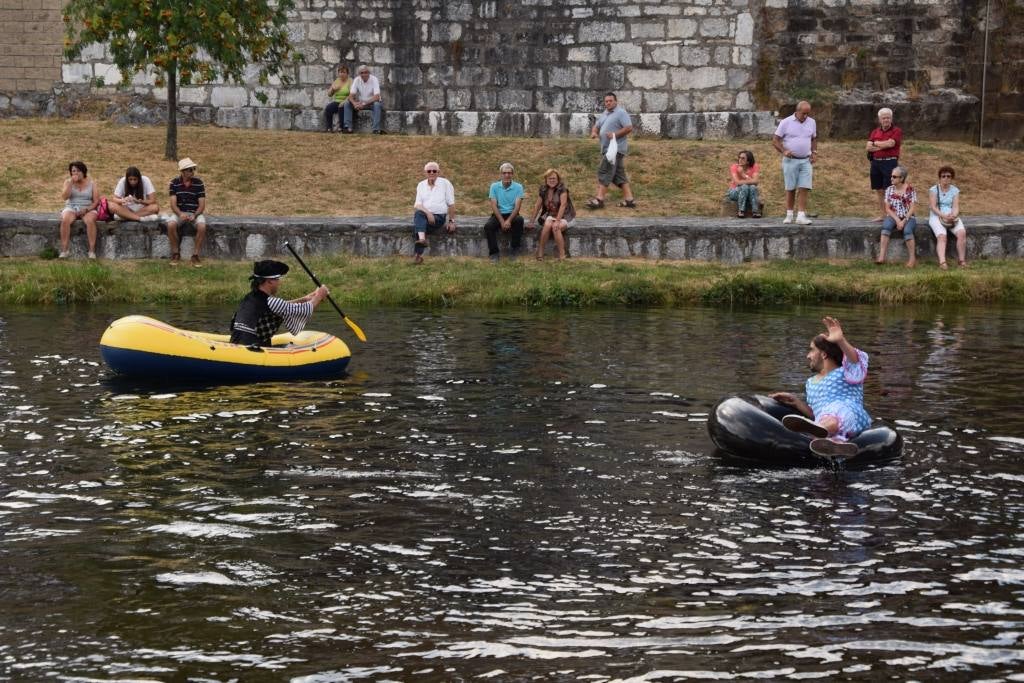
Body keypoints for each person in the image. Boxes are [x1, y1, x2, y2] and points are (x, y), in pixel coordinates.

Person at [770, 316, 872, 459]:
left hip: (851, 416)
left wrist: (840, 340)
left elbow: (855, 361)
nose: (807, 356)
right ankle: (834, 444)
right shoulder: (811, 383)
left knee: (836, 412)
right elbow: (816, 413)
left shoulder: (846, 372)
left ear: (824, 354)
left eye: (811, 350)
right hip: (825, 421)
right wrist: (797, 403)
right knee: (824, 417)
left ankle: (823, 431)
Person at [229, 260, 330, 347]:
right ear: (269, 281)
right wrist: (319, 295)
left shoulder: (249, 297)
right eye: (277, 279)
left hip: (236, 344)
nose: (279, 283)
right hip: (253, 349)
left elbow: (281, 306)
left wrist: (305, 298)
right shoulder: (271, 302)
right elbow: (303, 310)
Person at [586, 92, 636, 209]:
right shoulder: (605, 113)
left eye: (610, 101)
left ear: (615, 101)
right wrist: (594, 132)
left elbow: (628, 127)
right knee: (619, 176)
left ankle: (599, 199)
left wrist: (615, 134)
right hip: (607, 149)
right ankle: (629, 200)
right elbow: (597, 125)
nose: (608, 103)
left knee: (605, 171)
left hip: (615, 149)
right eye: (606, 101)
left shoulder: (621, 113)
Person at [772, 100, 817, 225]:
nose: (806, 116)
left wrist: (814, 152)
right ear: (797, 111)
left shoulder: (812, 122)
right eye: (803, 113)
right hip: (790, 160)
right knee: (790, 188)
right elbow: (775, 140)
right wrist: (784, 151)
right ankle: (789, 214)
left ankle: (801, 215)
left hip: (806, 160)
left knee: (804, 187)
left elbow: (813, 139)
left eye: (808, 113)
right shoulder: (786, 122)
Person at [163, 157, 207, 267]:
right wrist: (180, 214)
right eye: (190, 169)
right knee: (171, 224)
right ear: (182, 172)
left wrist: (195, 215)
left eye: (193, 169)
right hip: (180, 212)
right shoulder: (174, 183)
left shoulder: (199, 183)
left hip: (194, 212)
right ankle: (176, 253)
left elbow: (202, 205)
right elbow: (173, 204)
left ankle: (195, 255)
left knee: (202, 226)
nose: (193, 171)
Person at [411, 161, 456, 265]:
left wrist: (451, 221)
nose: (431, 173)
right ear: (425, 172)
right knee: (419, 216)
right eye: (429, 171)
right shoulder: (421, 185)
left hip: (439, 217)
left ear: (438, 172)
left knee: (418, 225)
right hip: (425, 216)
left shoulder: (445, 183)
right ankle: (420, 249)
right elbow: (417, 204)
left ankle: (418, 253)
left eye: (434, 171)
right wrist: (428, 213)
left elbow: (451, 204)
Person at [528, 168, 576, 261]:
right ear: (546, 179)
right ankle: (540, 252)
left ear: (558, 179)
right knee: (548, 223)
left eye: (554, 178)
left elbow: (563, 205)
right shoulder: (543, 189)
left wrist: (558, 221)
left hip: (566, 217)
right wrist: (531, 221)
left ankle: (562, 255)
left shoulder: (562, 189)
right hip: (551, 216)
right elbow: (537, 206)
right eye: (550, 178)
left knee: (555, 227)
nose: (552, 180)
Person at [876, 165, 917, 268]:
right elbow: (888, 209)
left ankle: (912, 259)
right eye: (891, 176)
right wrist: (898, 220)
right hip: (894, 216)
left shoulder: (910, 190)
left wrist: (903, 221)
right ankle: (882, 256)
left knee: (907, 231)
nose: (891, 178)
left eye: (894, 177)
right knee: (886, 227)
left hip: (908, 217)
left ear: (902, 178)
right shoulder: (889, 190)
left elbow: (912, 209)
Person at [866, 107, 903, 222]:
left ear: (891, 118)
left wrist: (876, 144)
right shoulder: (875, 131)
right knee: (879, 189)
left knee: (890, 189)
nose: (886, 120)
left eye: (888, 118)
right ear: (879, 119)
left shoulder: (896, 131)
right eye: (884, 118)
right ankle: (883, 214)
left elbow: (891, 144)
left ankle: (892, 215)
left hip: (890, 162)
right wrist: (881, 145)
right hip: (876, 163)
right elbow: (868, 147)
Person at [928, 166, 968, 269]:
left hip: (950, 216)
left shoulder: (955, 190)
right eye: (943, 176)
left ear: (952, 178)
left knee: (962, 233)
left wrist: (954, 215)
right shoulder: (933, 189)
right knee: (942, 236)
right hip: (937, 215)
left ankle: (961, 261)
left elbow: (955, 206)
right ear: (940, 177)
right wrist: (943, 216)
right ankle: (942, 262)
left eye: (948, 176)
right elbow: (933, 207)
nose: (946, 178)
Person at [483, 162, 525, 261]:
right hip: (499, 214)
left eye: (509, 173)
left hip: (512, 214)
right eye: (504, 173)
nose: (507, 175)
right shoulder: (494, 186)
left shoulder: (518, 187)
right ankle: (494, 253)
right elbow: (494, 205)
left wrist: (509, 221)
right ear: (501, 174)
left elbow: (517, 207)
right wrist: (502, 221)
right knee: (488, 226)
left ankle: (514, 250)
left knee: (519, 220)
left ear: (512, 174)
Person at [58, 160, 99, 259]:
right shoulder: (68, 182)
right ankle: (64, 251)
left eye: (78, 171)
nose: (75, 173)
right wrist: (71, 183)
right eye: (73, 171)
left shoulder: (92, 183)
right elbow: (64, 197)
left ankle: (92, 251)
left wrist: (86, 210)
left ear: (83, 172)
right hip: (71, 206)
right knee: (65, 220)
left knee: (90, 221)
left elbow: (96, 201)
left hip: (87, 208)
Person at [343, 64, 384, 134]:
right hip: (361, 103)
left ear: (369, 73)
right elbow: (350, 96)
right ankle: (348, 128)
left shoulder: (374, 79)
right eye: (362, 73)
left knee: (377, 104)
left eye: (366, 72)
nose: (364, 74)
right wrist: (354, 103)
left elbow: (377, 96)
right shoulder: (357, 79)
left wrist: (364, 104)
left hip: (371, 103)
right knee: (347, 103)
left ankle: (376, 129)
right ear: (359, 74)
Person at [727, 150, 761, 218]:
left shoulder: (754, 166)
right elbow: (737, 183)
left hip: (749, 192)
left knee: (753, 187)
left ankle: (755, 211)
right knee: (745, 186)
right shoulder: (734, 167)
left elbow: (756, 182)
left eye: (743, 158)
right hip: (734, 191)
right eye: (739, 157)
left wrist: (743, 175)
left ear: (748, 161)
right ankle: (741, 211)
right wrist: (750, 181)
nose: (740, 160)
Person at [322, 65, 352, 133]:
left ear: (347, 74)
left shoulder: (350, 81)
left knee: (341, 107)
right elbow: (329, 94)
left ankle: (341, 128)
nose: (342, 74)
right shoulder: (336, 81)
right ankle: (329, 128)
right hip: (337, 101)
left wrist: (344, 101)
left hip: (347, 101)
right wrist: (333, 89)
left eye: (344, 72)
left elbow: (351, 95)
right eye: (340, 72)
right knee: (329, 108)